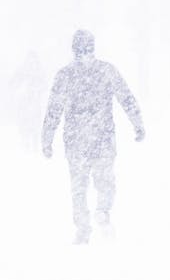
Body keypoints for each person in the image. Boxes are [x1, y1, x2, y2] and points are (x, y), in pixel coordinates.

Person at [42, 30, 145, 244]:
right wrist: (137, 124)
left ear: (73, 49)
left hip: (75, 139)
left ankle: (82, 227)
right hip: (103, 137)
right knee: (105, 180)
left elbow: (53, 109)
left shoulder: (65, 75)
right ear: (93, 47)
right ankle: (103, 211)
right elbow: (126, 98)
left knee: (78, 186)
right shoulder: (106, 71)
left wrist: (47, 138)